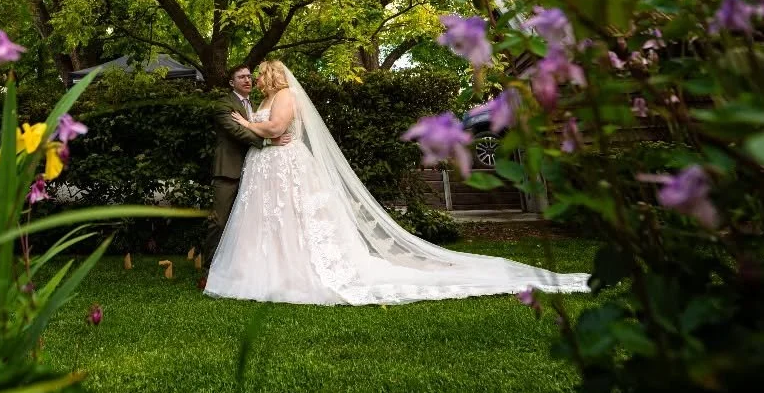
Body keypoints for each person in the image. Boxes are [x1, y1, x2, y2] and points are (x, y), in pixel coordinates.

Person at [203, 60, 590, 305]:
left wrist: (249, 125)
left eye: (261, 74)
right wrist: (255, 127)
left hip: (284, 165)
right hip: (269, 168)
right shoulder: (268, 96)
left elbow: (276, 127)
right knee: (271, 221)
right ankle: (266, 269)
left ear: (272, 76)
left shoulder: (285, 95)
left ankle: (293, 271)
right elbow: (269, 130)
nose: (257, 79)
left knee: (291, 219)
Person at [204, 63, 291, 265]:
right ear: (231, 82)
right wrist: (269, 141)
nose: (247, 80)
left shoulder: (260, 102)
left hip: (257, 170)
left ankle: (240, 265)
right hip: (229, 170)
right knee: (220, 221)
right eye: (241, 77)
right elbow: (238, 132)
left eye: (249, 76)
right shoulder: (223, 104)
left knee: (249, 223)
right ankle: (210, 269)